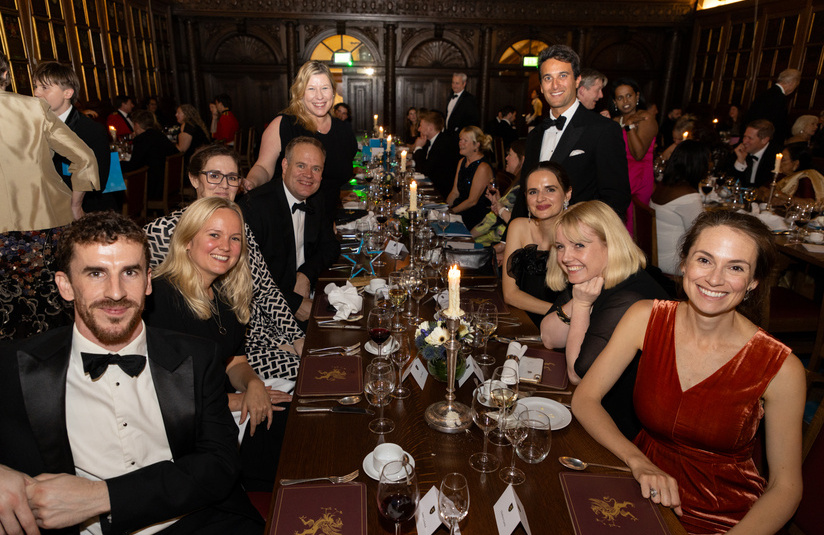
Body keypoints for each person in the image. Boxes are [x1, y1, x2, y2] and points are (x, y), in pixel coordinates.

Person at [0, 211, 263, 534]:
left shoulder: (195, 356)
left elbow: (219, 465)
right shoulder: (15, 366)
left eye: (130, 273)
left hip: (195, 521)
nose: (115, 292)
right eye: (96, 273)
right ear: (65, 286)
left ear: (148, 281)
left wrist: (105, 496)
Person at [572, 210, 804, 535]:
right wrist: (637, 461)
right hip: (640, 488)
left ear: (754, 282)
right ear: (683, 262)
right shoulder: (644, 318)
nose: (714, 278)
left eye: (735, 267)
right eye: (705, 260)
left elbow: (786, 487)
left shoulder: (781, 367)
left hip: (724, 517)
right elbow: (585, 398)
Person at [146, 197, 291, 491]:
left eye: (234, 238)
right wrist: (238, 400)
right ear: (187, 241)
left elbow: (235, 362)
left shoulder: (224, 294)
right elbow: (161, 396)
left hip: (221, 407)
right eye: (214, 235)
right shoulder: (160, 300)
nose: (226, 246)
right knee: (291, 438)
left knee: (297, 418)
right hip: (188, 430)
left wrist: (252, 384)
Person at [144, 144, 305, 380]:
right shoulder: (161, 232)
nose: (224, 185)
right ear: (194, 179)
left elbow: (266, 289)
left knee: (317, 363)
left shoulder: (239, 226)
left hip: (249, 331)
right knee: (309, 375)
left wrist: (294, 337)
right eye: (214, 175)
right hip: (211, 347)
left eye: (231, 178)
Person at [541, 200, 668, 439]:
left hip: (625, 430)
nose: (566, 257)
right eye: (560, 246)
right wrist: (578, 298)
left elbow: (578, 375)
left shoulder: (631, 296)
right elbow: (548, 336)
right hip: (596, 411)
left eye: (579, 245)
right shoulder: (590, 276)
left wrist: (581, 305)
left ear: (611, 245)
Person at [0, 51, 100, 341]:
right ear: (6, 74)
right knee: (49, 310)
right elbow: (84, 158)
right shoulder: (34, 109)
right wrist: (76, 203)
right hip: (44, 225)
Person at [513, 45, 630, 221]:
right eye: (547, 78)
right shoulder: (535, 135)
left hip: (579, 240)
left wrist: (580, 237)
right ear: (542, 87)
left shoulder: (603, 130)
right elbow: (525, 194)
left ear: (577, 80)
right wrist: (509, 240)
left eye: (563, 76)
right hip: (536, 239)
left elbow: (616, 199)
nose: (555, 85)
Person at [240, 137, 340, 327]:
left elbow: (330, 246)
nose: (308, 175)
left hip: (307, 295)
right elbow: (248, 278)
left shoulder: (315, 198)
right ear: (285, 165)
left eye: (316, 169)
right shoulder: (255, 208)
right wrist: (293, 304)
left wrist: (305, 274)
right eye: (301, 166)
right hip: (263, 316)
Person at [243, 61, 357, 214]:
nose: (319, 96)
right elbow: (263, 167)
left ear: (333, 91)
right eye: (311, 89)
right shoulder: (283, 125)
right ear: (300, 93)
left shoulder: (343, 130)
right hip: (287, 216)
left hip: (329, 218)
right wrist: (251, 182)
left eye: (325, 88)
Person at [32, 61, 116, 213]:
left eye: (45, 87)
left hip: (82, 211)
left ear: (68, 93)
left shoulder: (91, 131)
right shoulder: (33, 126)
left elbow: (97, 182)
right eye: (36, 86)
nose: (36, 93)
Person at [503, 162, 571, 327]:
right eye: (533, 192)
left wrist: (564, 317)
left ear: (567, 194)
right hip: (523, 323)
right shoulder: (519, 227)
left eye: (550, 189)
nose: (540, 198)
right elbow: (510, 294)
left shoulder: (578, 234)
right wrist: (560, 311)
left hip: (566, 329)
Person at [649, 140, 707, 275]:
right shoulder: (688, 196)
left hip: (655, 257)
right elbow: (700, 234)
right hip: (673, 263)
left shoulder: (663, 185)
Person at [611, 77, 658, 234]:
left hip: (639, 179)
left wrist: (629, 126)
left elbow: (638, 154)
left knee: (631, 229)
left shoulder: (645, 118)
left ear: (637, 97)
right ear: (614, 102)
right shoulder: (613, 122)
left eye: (629, 95)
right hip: (619, 178)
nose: (625, 100)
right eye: (620, 97)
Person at [473, 139, 526, 248]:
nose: (506, 158)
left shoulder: (520, 187)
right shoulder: (519, 182)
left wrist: (468, 237)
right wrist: (497, 202)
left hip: (494, 243)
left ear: (522, 159)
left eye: (510, 155)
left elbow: (491, 222)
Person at [122, 109, 179, 200]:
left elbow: (133, 166)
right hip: (169, 183)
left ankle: (122, 208)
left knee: (115, 176)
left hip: (154, 187)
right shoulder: (159, 135)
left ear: (136, 124)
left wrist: (115, 165)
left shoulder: (142, 139)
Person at [446, 126, 494, 229]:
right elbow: (455, 192)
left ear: (476, 145)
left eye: (465, 141)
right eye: (460, 139)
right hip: (459, 210)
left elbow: (472, 201)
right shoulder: (462, 162)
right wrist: (444, 209)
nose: (460, 143)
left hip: (474, 215)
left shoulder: (483, 167)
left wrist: (450, 212)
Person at [745, 68, 801, 147]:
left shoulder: (767, 93)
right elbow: (778, 123)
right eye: (796, 85)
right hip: (767, 140)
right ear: (792, 83)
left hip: (754, 136)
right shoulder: (779, 98)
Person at [412, 110, 461, 198]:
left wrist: (418, 147)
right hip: (430, 186)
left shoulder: (443, 144)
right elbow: (423, 161)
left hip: (439, 192)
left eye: (421, 126)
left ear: (430, 128)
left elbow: (424, 170)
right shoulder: (431, 141)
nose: (419, 129)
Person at [732, 119, 781, 188]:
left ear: (764, 140)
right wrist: (740, 161)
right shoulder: (739, 150)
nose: (744, 141)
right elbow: (731, 183)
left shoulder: (775, 158)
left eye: (750, 138)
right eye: (744, 136)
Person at [175, 103, 210, 168]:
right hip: (204, 158)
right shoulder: (195, 124)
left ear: (186, 114)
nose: (176, 115)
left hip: (194, 163)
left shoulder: (186, 126)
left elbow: (182, 149)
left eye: (178, 113)